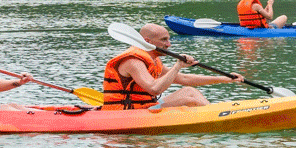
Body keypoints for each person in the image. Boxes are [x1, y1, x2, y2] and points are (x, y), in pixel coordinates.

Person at [102, 23, 244, 110]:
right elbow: (154, 89)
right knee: (189, 101)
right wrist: (177, 66)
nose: (169, 44)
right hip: (127, 111)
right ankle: (215, 118)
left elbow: (184, 78)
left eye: (169, 39)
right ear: (147, 41)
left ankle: (214, 114)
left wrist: (226, 78)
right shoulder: (133, 61)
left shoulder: (153, 59)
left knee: (189, 91)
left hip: (146, 106)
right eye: (164, 40)